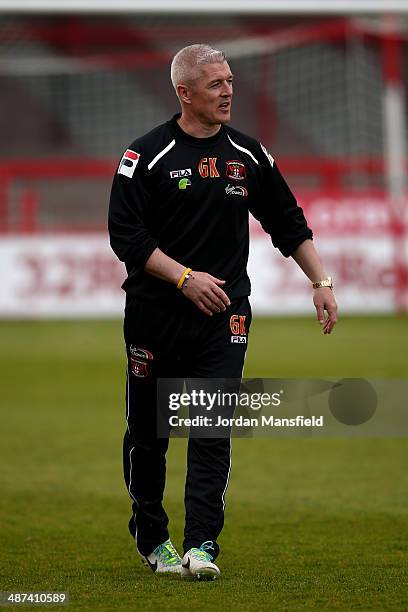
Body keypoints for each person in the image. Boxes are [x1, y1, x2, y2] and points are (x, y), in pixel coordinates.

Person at [108, 43, 337, 581]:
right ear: (184, 93)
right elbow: (126, 236)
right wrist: (184, 278)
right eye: (215, 84)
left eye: (230, 80)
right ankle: (154, 538)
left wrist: (320, 281)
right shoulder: (145, 156)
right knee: (150, 432)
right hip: (154, 315)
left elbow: (288, 221)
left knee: (212, 429)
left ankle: (202, 545)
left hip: (225, 316)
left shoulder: (250, 155)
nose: (228, 90)